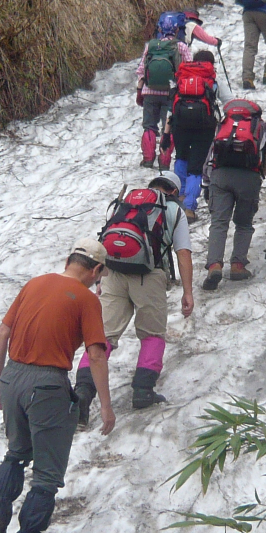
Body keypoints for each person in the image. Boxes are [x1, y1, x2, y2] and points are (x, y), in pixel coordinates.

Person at [0, 239, 114, 533]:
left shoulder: (35, 283)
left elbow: (2, 333)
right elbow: (97, 355)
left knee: (15, 453)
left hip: (13, 377)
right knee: (46, 475)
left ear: (69, 259)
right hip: (48, 385)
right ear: (97, 270)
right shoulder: (86, 299)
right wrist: (107, 406)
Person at [74, 172, 194, 418]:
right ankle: (143, 391)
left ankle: (82, 395)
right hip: (149, 277)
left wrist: (100, 279)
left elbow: (105, 243)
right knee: (152, 334)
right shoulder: (173, 211)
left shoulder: (125, 204)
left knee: (103, 337)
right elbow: (183, 253)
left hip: (113, 274)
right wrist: (188, 292)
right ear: (174, 192)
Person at [201, 99, 266, 290]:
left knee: (219, 223)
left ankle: (214, 266)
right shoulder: (260, 126)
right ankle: (237, 266)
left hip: (221, 176)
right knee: (243, 224)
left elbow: (210, 155)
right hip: (249, 178)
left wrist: (206, 183)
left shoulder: (223, 126)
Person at [165, 50, 223, 222]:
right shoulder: (212, 82)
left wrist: (166, 135)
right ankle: (189, 207)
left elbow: (171, 109)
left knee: (181, 158)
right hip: (204, 128)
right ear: (210, 65)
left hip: (180, 125)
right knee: (196, 167)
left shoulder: (181, 79)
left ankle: (178, 197)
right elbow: (225, 103)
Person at [137, 13, 192, 169]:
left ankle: (148, 159)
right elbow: (188, 70)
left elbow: (141, 70)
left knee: (149, 126)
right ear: (176, 30)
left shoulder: (151, 46)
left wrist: (139, 90)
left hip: (150, 92)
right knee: (168, 127)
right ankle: (164, 161)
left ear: (159, 28)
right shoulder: (181, 47)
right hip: (171, 93)